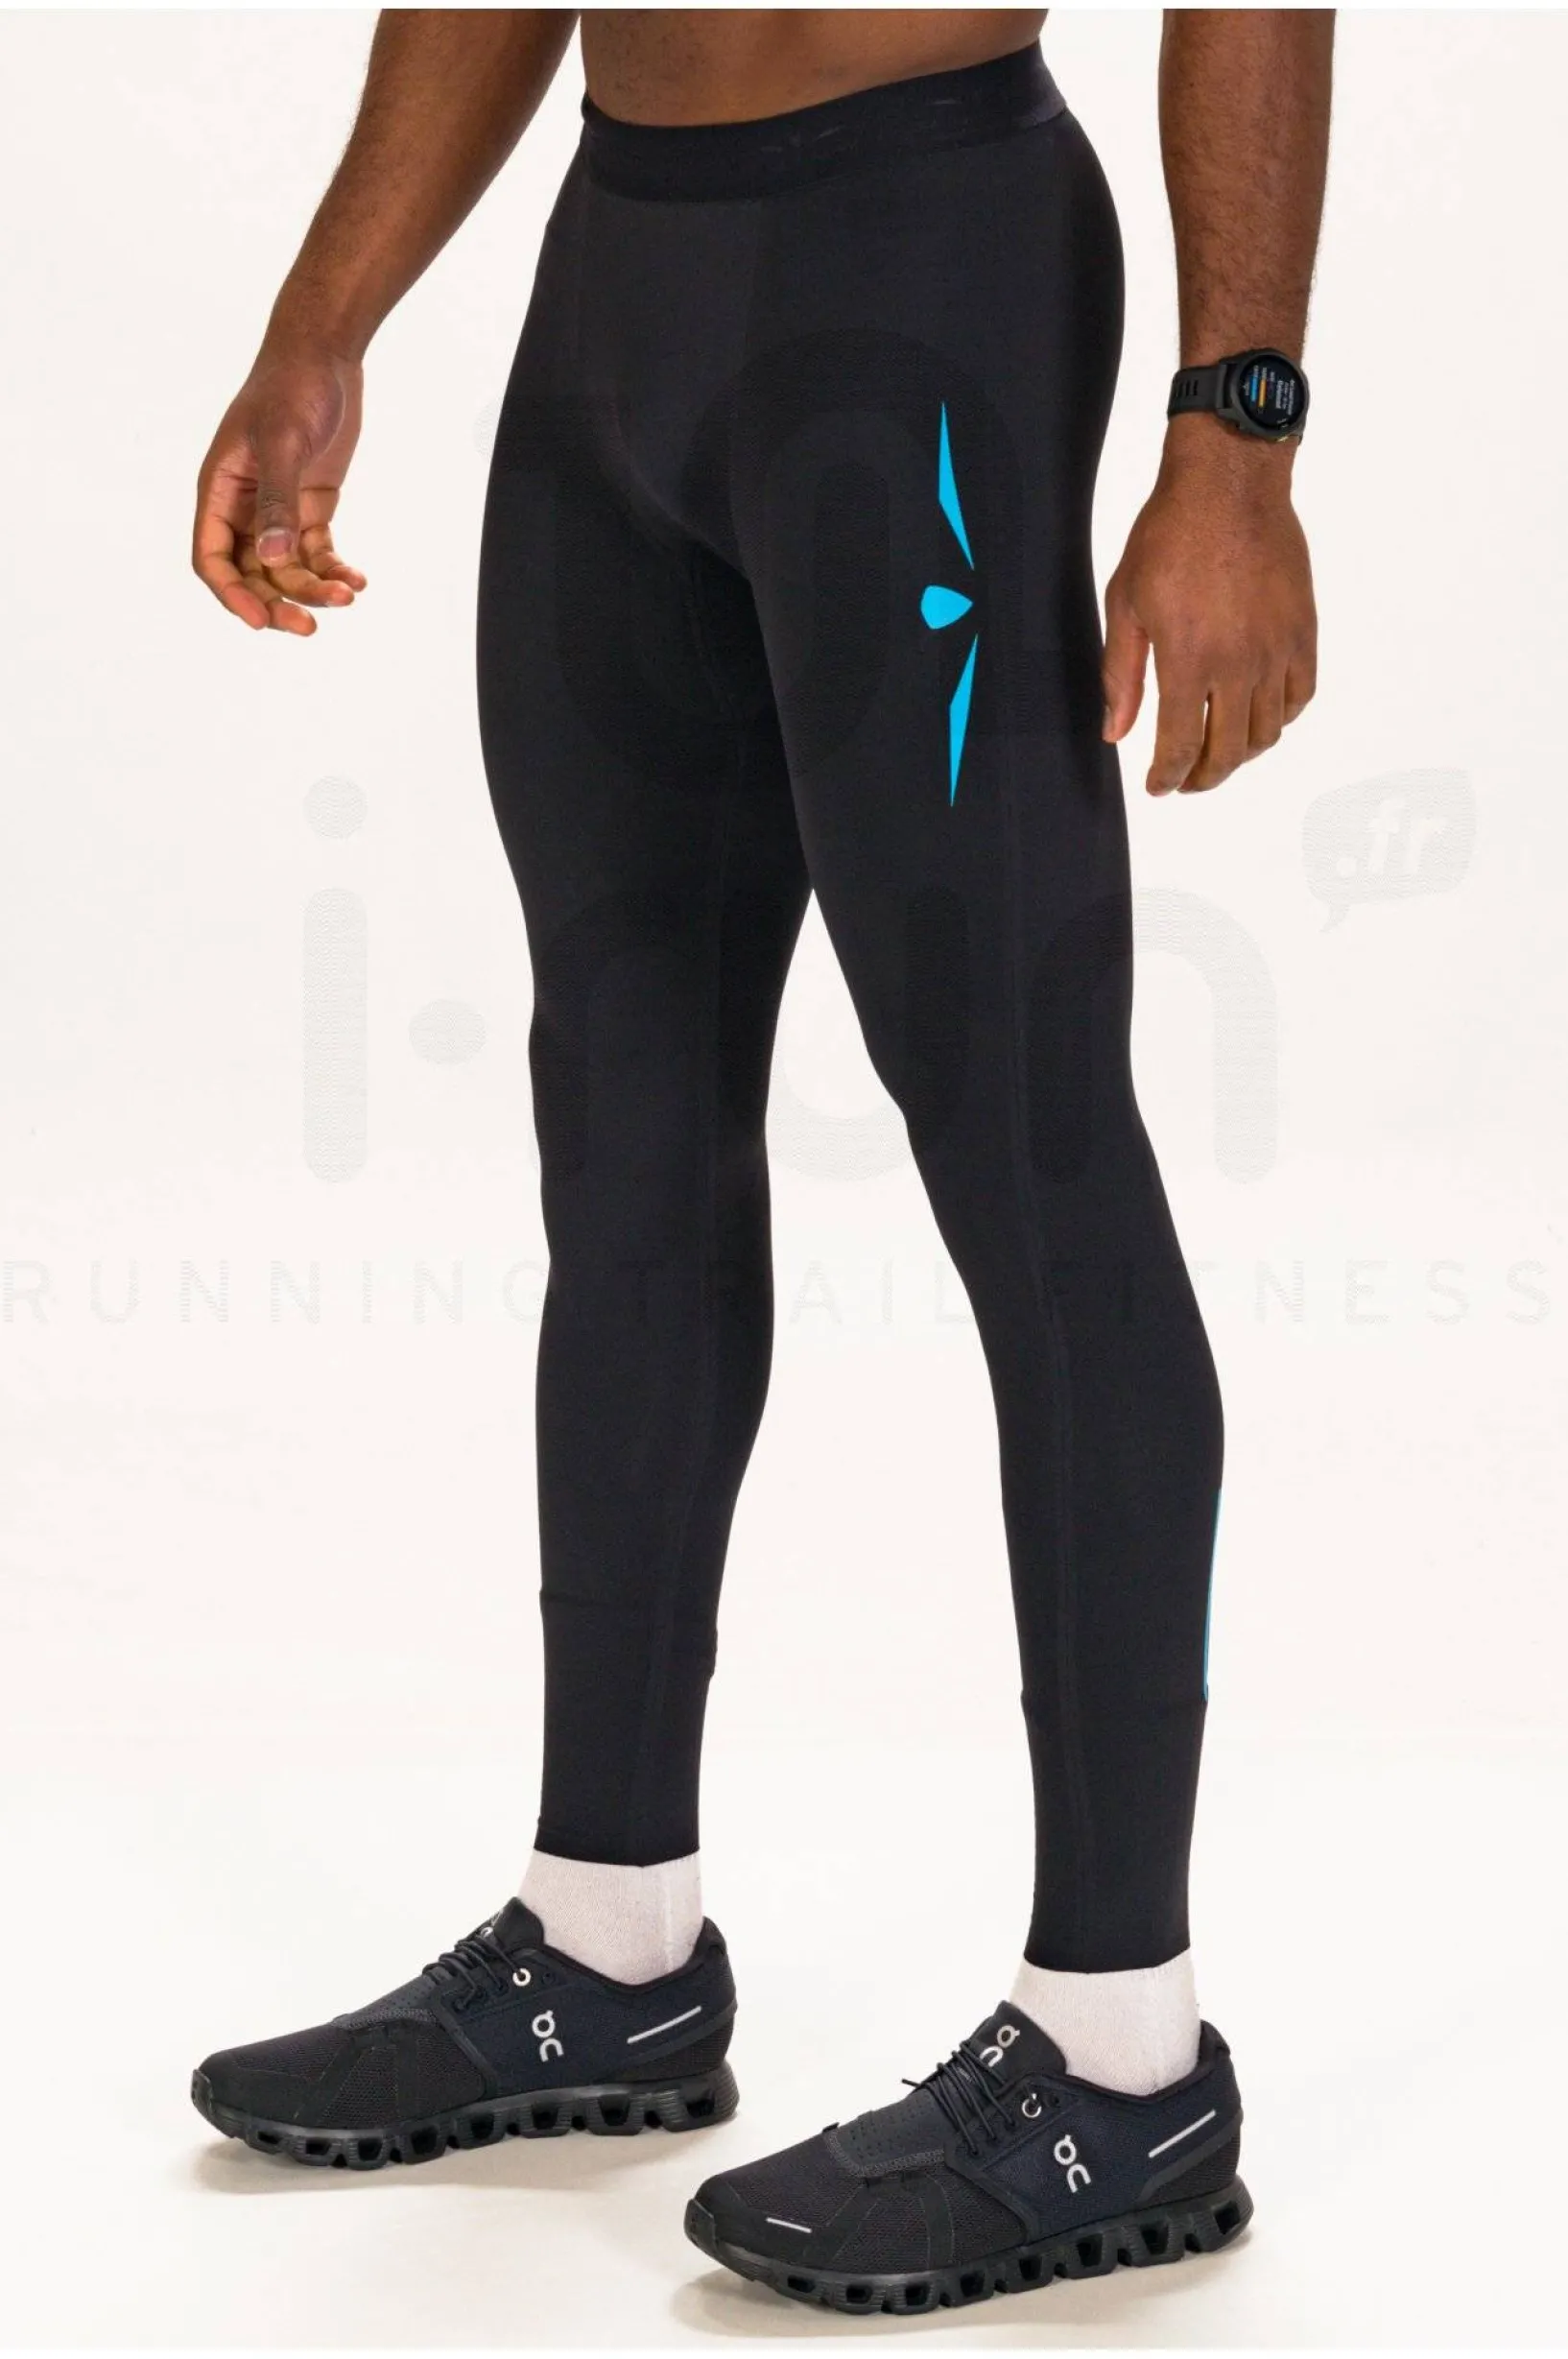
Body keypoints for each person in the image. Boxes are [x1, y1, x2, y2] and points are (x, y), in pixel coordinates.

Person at [189, 7, 1331, 2313]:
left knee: (1025, 1141)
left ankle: (1122, 2051)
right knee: (620, 1124)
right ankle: (604, 1941)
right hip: (616, 286)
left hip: (924, 265)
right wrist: (323, 323)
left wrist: (1237, 431)